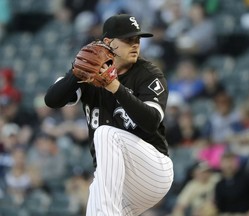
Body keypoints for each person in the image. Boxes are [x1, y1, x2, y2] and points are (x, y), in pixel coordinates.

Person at [44, 14, 174, 216]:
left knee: (106, 134)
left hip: (151, 169)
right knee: (95, 204)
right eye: (128, 39)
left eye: (137, 39)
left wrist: (115, 87)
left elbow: (151, 121)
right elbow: (52, 100)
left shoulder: (148, 73)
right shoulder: (90, 70)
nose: (135, 45)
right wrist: (76, 72)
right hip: (114, 178)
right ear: (108, 42)